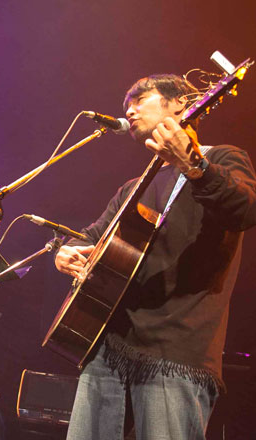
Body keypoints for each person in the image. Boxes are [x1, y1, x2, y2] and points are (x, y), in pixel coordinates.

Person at [54, 74, 256, 439]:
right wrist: (65, 251)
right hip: (108, 346)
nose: (129, 110)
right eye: (126, 106)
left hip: (175, 348)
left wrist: (195, 166)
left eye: (139, 99)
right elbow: (91, 236)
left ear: (180, 103)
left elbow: (245, 210)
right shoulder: (134, 187)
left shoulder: (222, 157)